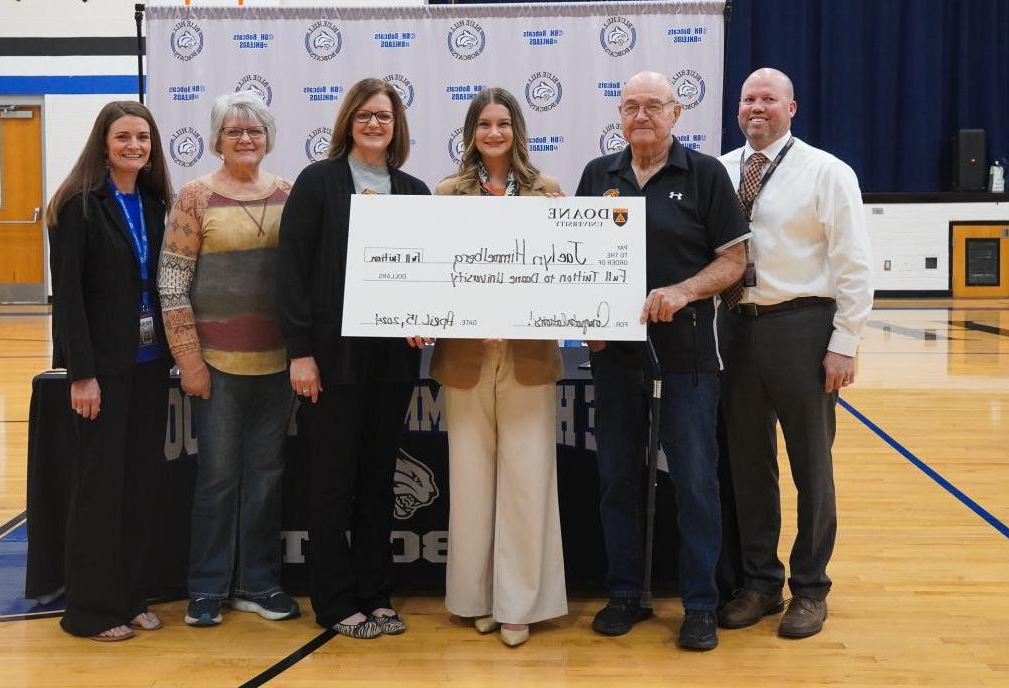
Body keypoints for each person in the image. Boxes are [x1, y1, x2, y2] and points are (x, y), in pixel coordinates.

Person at [577, 71, 749, 651]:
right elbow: (574, 263)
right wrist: (585, 323)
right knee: (616, 476)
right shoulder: (598, 175)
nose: (641, 115)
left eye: (653, 105)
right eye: (630, 106)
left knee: (696, 480)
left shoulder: (705, 175)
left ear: (677, 113)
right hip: (614, 354)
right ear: (619, 116)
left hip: (690, 352)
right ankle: (626, 593)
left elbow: (734, 262)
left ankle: (700, 603)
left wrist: (683, 291)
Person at [716, 68, 872, 639]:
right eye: (748, 99)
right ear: (738, 110)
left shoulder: (827, 172)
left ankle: (810, 588)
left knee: (811, 464)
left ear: (791, 107)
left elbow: (854, 262)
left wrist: (845, 342)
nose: (757, 107)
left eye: (768, 99)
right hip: (734, 326)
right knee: (748, 465)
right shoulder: (722, 169)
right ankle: (760, 583)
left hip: (802, 326)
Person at [276, 78, 430, 639]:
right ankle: (337, 602)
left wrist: (424, 319)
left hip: (391, 364)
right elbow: (290, 276)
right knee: (332, 484)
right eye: (363, 115)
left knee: (376, 480)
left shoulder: (414, 191)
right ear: (347, 122)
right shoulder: (318, 184)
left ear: (397, 126)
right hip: (331, 361)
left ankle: (375, 592)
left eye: (383, 117)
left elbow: (426, 273)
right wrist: (301, 354)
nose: (373, 125)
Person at [429, 87, 567, 648]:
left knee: (527, 481)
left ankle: (519, 606)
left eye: (502, 124)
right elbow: (431, 272)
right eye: (483, 124)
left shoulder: (546, 191)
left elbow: (567, 270)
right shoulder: (446, 193)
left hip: (528, 354)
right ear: (470, 132)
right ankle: (477, 598)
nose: (493, 133)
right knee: (469, 481)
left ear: (518, 131)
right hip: (464, 356)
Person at [157, 93, 300, 628]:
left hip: (279, 365)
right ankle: (207, 588)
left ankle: (258, 585)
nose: (245, 139)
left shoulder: (290, 194)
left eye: (255, 131)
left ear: (268, 139)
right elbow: (172, 284)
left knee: (266, 476)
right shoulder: (194, 197)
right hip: (216, 365)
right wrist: (188, 359)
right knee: (217, 480)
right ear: (216, 138)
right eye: (234, 131)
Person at [47, 101, 174, 642]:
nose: (134, 147)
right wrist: (81, 373)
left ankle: (129, 596)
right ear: (103, 143)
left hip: (147, 367)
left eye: (143, 138)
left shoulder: (151, 202)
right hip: (102, 371)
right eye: (123, 137)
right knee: (98, 490)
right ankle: (90, 611)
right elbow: (69, 297)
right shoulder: (77, 205)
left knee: (139, 486)